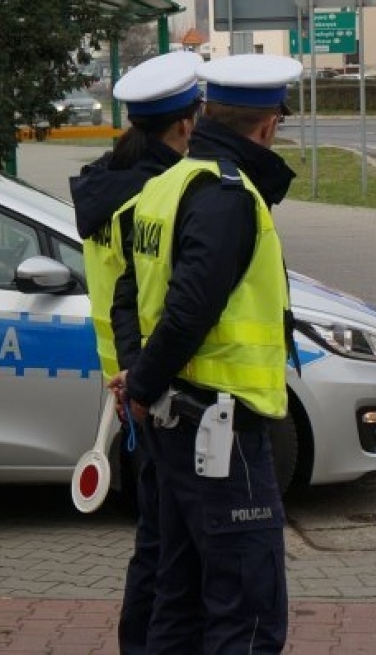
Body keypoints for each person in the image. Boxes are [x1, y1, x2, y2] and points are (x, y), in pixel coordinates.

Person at [112, 53, 301, 655]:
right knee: (246, 610)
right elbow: (190, 310)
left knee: (181, 596)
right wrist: (140, 386)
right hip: (220, 429)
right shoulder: (226, 195)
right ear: (269, 125)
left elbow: (129, 296)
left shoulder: (165, 186)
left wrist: (140, 380)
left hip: (176, 419)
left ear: (203, 116)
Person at [68, 51, 202, 655]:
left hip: (123, 373)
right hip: (149, 378)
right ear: (183, 125)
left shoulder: (109, 176)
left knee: (154, 535)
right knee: (162, 541)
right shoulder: (151, 190)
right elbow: (139, 294)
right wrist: (142, 379)